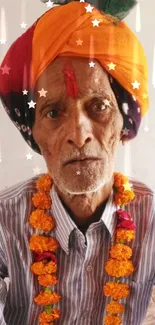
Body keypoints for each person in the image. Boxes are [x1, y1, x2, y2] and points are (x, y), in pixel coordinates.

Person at [0, 1, 154, 325]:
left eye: (99, 106)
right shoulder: (4, 221)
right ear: (34, 133)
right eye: (53, 112)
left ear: (122, 124)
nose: (79, 134)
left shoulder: (152, 220)